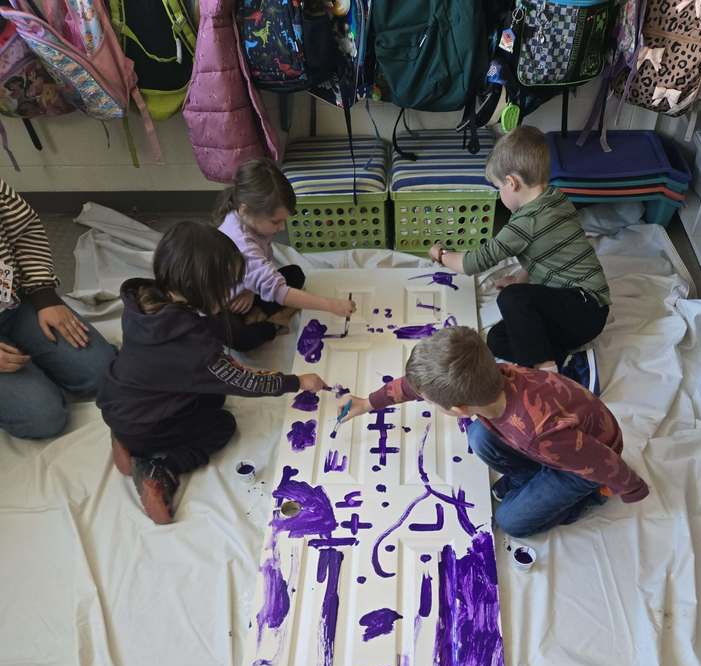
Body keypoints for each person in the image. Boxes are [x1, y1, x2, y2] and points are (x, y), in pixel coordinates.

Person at [98, 222, 325, 526]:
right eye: (227, 286)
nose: (233, 292)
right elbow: (243, 380)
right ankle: (160, 469)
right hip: (147, 421)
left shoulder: (143, 301)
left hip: (119, 401)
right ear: (203, 289)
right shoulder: (193, 345)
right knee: (222, 424)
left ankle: (125, 437)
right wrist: (296, 382)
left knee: (212, 396)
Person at [336, 326, 648, 537]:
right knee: (478, 437)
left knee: (510, 522)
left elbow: (601, 460)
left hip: (579, 465)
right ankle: (534, 480)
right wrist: (367, 403)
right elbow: (414, 386)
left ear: (457, 409)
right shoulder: (490, 374)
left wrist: (629, 489)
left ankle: (583, 499)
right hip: (553, 446)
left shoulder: (541, 434)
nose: (423, 399)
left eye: (429, 401)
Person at [430, 126, 610, 392]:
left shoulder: (525, 223)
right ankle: (573, 365)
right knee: (498, 339)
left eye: (498, 188)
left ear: (511, 183)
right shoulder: (556, 198)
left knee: (512, 299)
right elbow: (548, 253)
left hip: (586, 307)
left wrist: (441, 255)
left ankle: (545, 380)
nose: (499, 194)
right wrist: (519, 277)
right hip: (578, 310)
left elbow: (473, 263)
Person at [0, 178, 116, 439]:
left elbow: (25, 234)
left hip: (13, 304)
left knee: (104, 373)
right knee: (43, 416)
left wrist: (44, 296)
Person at [216, 159, 356, 332]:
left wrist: (250, 291)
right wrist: (331, 305)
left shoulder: (247, 217)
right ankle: (271, 324)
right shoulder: (241, 245)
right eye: (276, 222)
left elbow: (256, 271)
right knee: (239, 335)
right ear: (245, 211)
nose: (282, 228)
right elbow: (277, 289)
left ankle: (261, 312)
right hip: (229, 305)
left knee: (295, 274)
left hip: (247, 291)